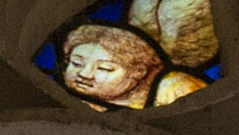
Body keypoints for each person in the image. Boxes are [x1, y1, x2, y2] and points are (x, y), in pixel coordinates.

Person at [59, 20, 207, 111]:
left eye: (104, 68)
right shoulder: (75, 101)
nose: (85, 74)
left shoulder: (171, 90)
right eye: (76, 63)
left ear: (139, 72)